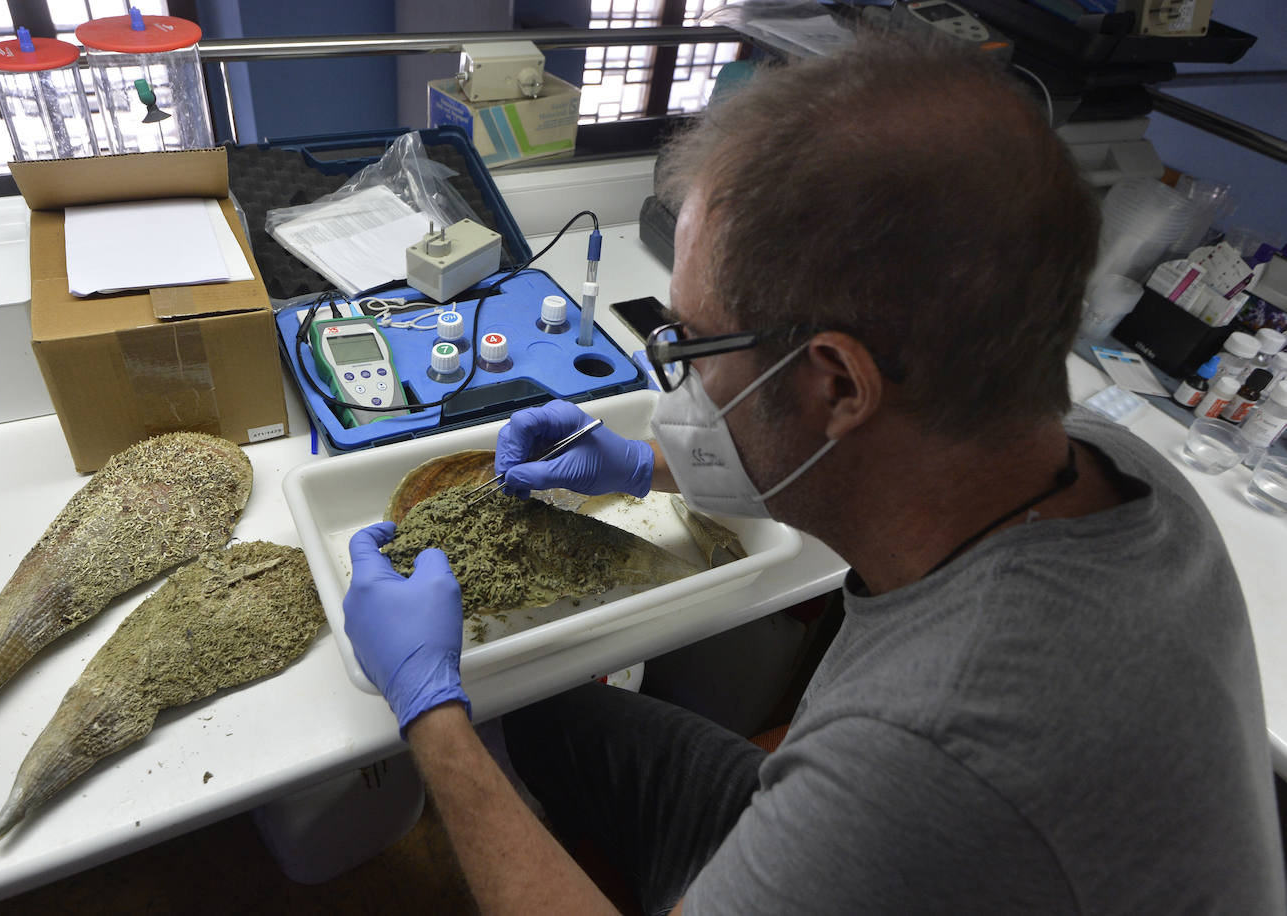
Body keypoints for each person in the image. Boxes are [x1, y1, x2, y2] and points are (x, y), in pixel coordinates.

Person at [341, 33, 1286, 915]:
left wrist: (431, 714)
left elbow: (920, 781)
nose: (679, 373)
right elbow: (808, 448)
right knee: (545, 721)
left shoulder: (936, 754)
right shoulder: (1103, 459)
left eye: (693, 345)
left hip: (907, 830)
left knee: (476, 755)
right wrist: (640, 464)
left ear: (837, 383)